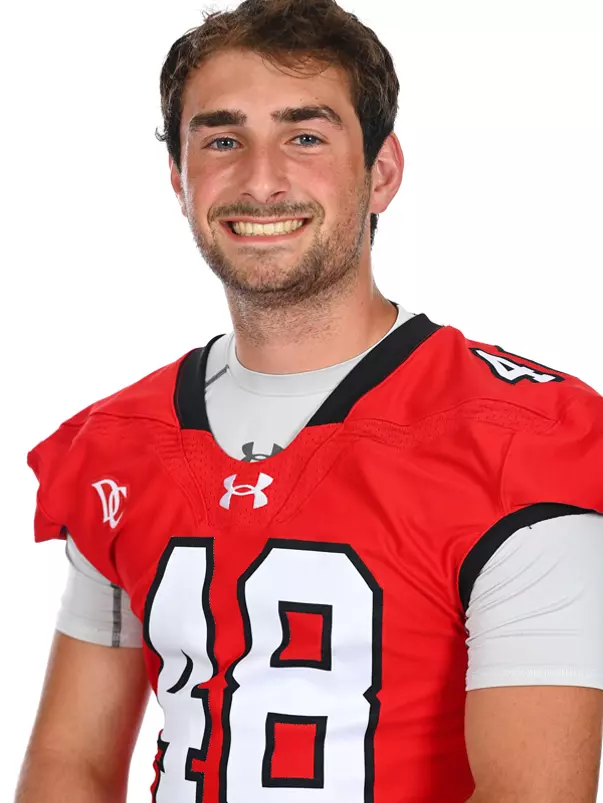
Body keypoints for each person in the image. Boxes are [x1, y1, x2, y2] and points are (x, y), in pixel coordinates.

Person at [16, 0, 603, 801]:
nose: (260, 180)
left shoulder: (522, 438)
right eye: (222, 140)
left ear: (381, 172)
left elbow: (532, 794)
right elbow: (69, 763)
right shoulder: (116, 443)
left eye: (305, 137)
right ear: (179, 179)